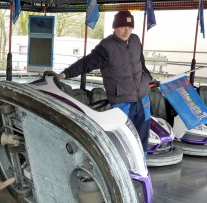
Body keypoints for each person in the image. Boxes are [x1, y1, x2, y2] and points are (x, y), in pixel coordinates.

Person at [59, 10, 153, 156]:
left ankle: (143, 165)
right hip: (123, 101)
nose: (126, 30)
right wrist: (65, 74)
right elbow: (86, 63)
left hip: (143, 98)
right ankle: (125, 169)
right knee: (123, 137)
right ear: (115, 27)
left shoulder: (135, 40)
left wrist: (147, 78)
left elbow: (141, 63)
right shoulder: (107, 47)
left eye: (129, 27)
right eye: (122, 26)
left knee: (142, 135)